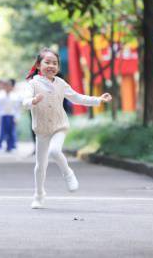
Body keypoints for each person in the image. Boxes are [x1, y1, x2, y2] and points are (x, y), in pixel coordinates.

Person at [23, 48, 112, 209]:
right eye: (47, 62)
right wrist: (33, 101)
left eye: (55, 63)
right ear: (38, 65)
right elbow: (24, 101)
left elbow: (77, 98)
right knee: (40, 165)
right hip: (41, 129)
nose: (51, 66)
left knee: (55, 151)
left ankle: (68, 173)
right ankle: (39, 195)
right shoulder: (32, 84)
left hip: (59, 126)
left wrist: (98, 99)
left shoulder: (61, 84)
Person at [0, 79, 21, 152]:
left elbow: (17, 108)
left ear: (11, 86)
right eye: (6, 85)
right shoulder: (0, 95)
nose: (7, 87)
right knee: (1, 132)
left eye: (9, 85)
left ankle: (10, 147)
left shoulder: (15, 96)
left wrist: (17, 117)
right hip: (3, 116)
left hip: (11, 116)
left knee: (11, 132)